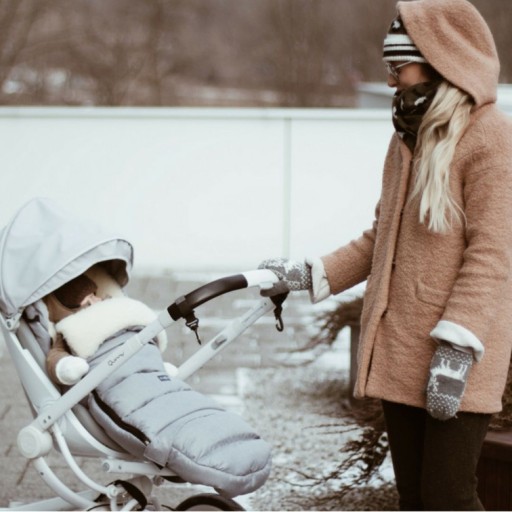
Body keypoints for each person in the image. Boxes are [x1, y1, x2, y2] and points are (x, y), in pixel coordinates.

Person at [259, 0, 512, 510]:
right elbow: (383, 238)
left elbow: (493, 253)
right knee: (415, 498)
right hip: (404, 347)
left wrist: (456, 349)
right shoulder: (407, 138)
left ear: (441, 61)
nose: (391, 80)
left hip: (457, 354)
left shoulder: (492, 138)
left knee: (449, 498)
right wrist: (311, 273)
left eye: (400, 67)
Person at [41, 272, 272, 497]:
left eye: (95, 295)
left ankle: (227, 448)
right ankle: (217, 464)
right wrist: (66, 367)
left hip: (154, 380)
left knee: (187, 406)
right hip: (121, 389)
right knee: (165, 426)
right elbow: (56, 358)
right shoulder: (71, 332)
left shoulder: (121, 319)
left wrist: (155, 368)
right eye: (86, 302)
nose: (96, 302)